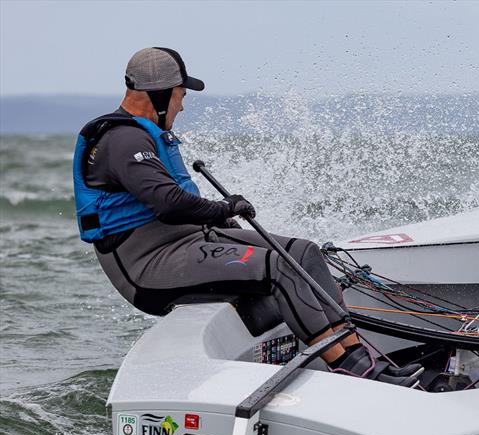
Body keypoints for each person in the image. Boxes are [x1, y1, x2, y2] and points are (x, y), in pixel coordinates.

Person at [72, 47, 422, 386]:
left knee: (302, 253)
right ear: (159, 94)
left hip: (185, 242)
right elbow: (170, 203)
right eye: (180, 95)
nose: (182, 104)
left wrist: (222, 221)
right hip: (148, 266)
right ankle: (355, 372)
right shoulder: (121, 141)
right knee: (278, 267)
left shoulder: (143, 134)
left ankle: (360, 355)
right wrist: (225, 208)